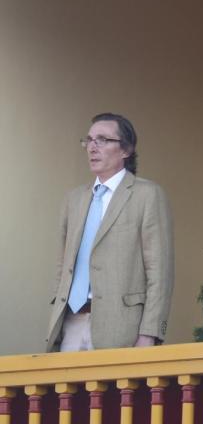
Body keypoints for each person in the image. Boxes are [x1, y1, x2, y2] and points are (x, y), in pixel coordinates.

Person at [46, 113, 174, 351]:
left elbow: (160, 272)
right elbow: (62, 266)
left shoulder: (147, 195)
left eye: (103, 140)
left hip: (122, 328)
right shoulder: (73, 199)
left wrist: (151, 332)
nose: (92, 147)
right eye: (89, 140)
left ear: (126, 150)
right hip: (71, 322)